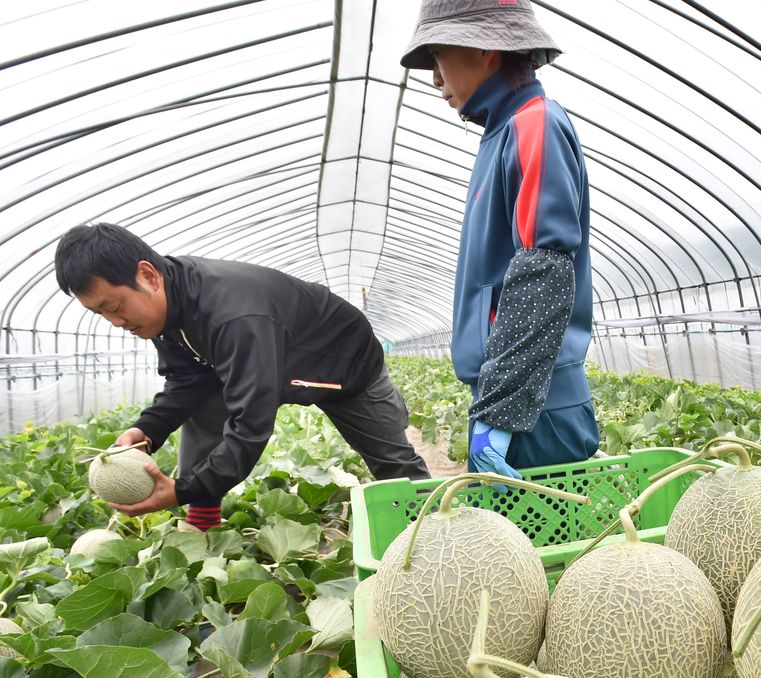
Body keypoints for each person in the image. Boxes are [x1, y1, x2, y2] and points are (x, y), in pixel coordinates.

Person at [55, 223, 430, 529]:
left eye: (115, 307)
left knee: (392, 460)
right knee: (203, 400)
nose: (116, 322)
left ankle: (435, 527)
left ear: (148, 275)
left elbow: (251, 424)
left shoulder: (234, 316)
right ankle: (202, 520)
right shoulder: (166, 312)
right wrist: (147, 430)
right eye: (101, 314)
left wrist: (183, 489)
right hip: (275, 357)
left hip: (344, 362)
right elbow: (186, 382)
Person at [402, 0, 600, 487]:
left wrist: (502, 412)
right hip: (511, 395)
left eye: (438, 57)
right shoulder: (501, 134)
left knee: (542, 556)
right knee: (512, 558)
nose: (436, 80)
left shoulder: (534, 123)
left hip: (533, 404)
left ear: (486, 48)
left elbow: (544, 268)